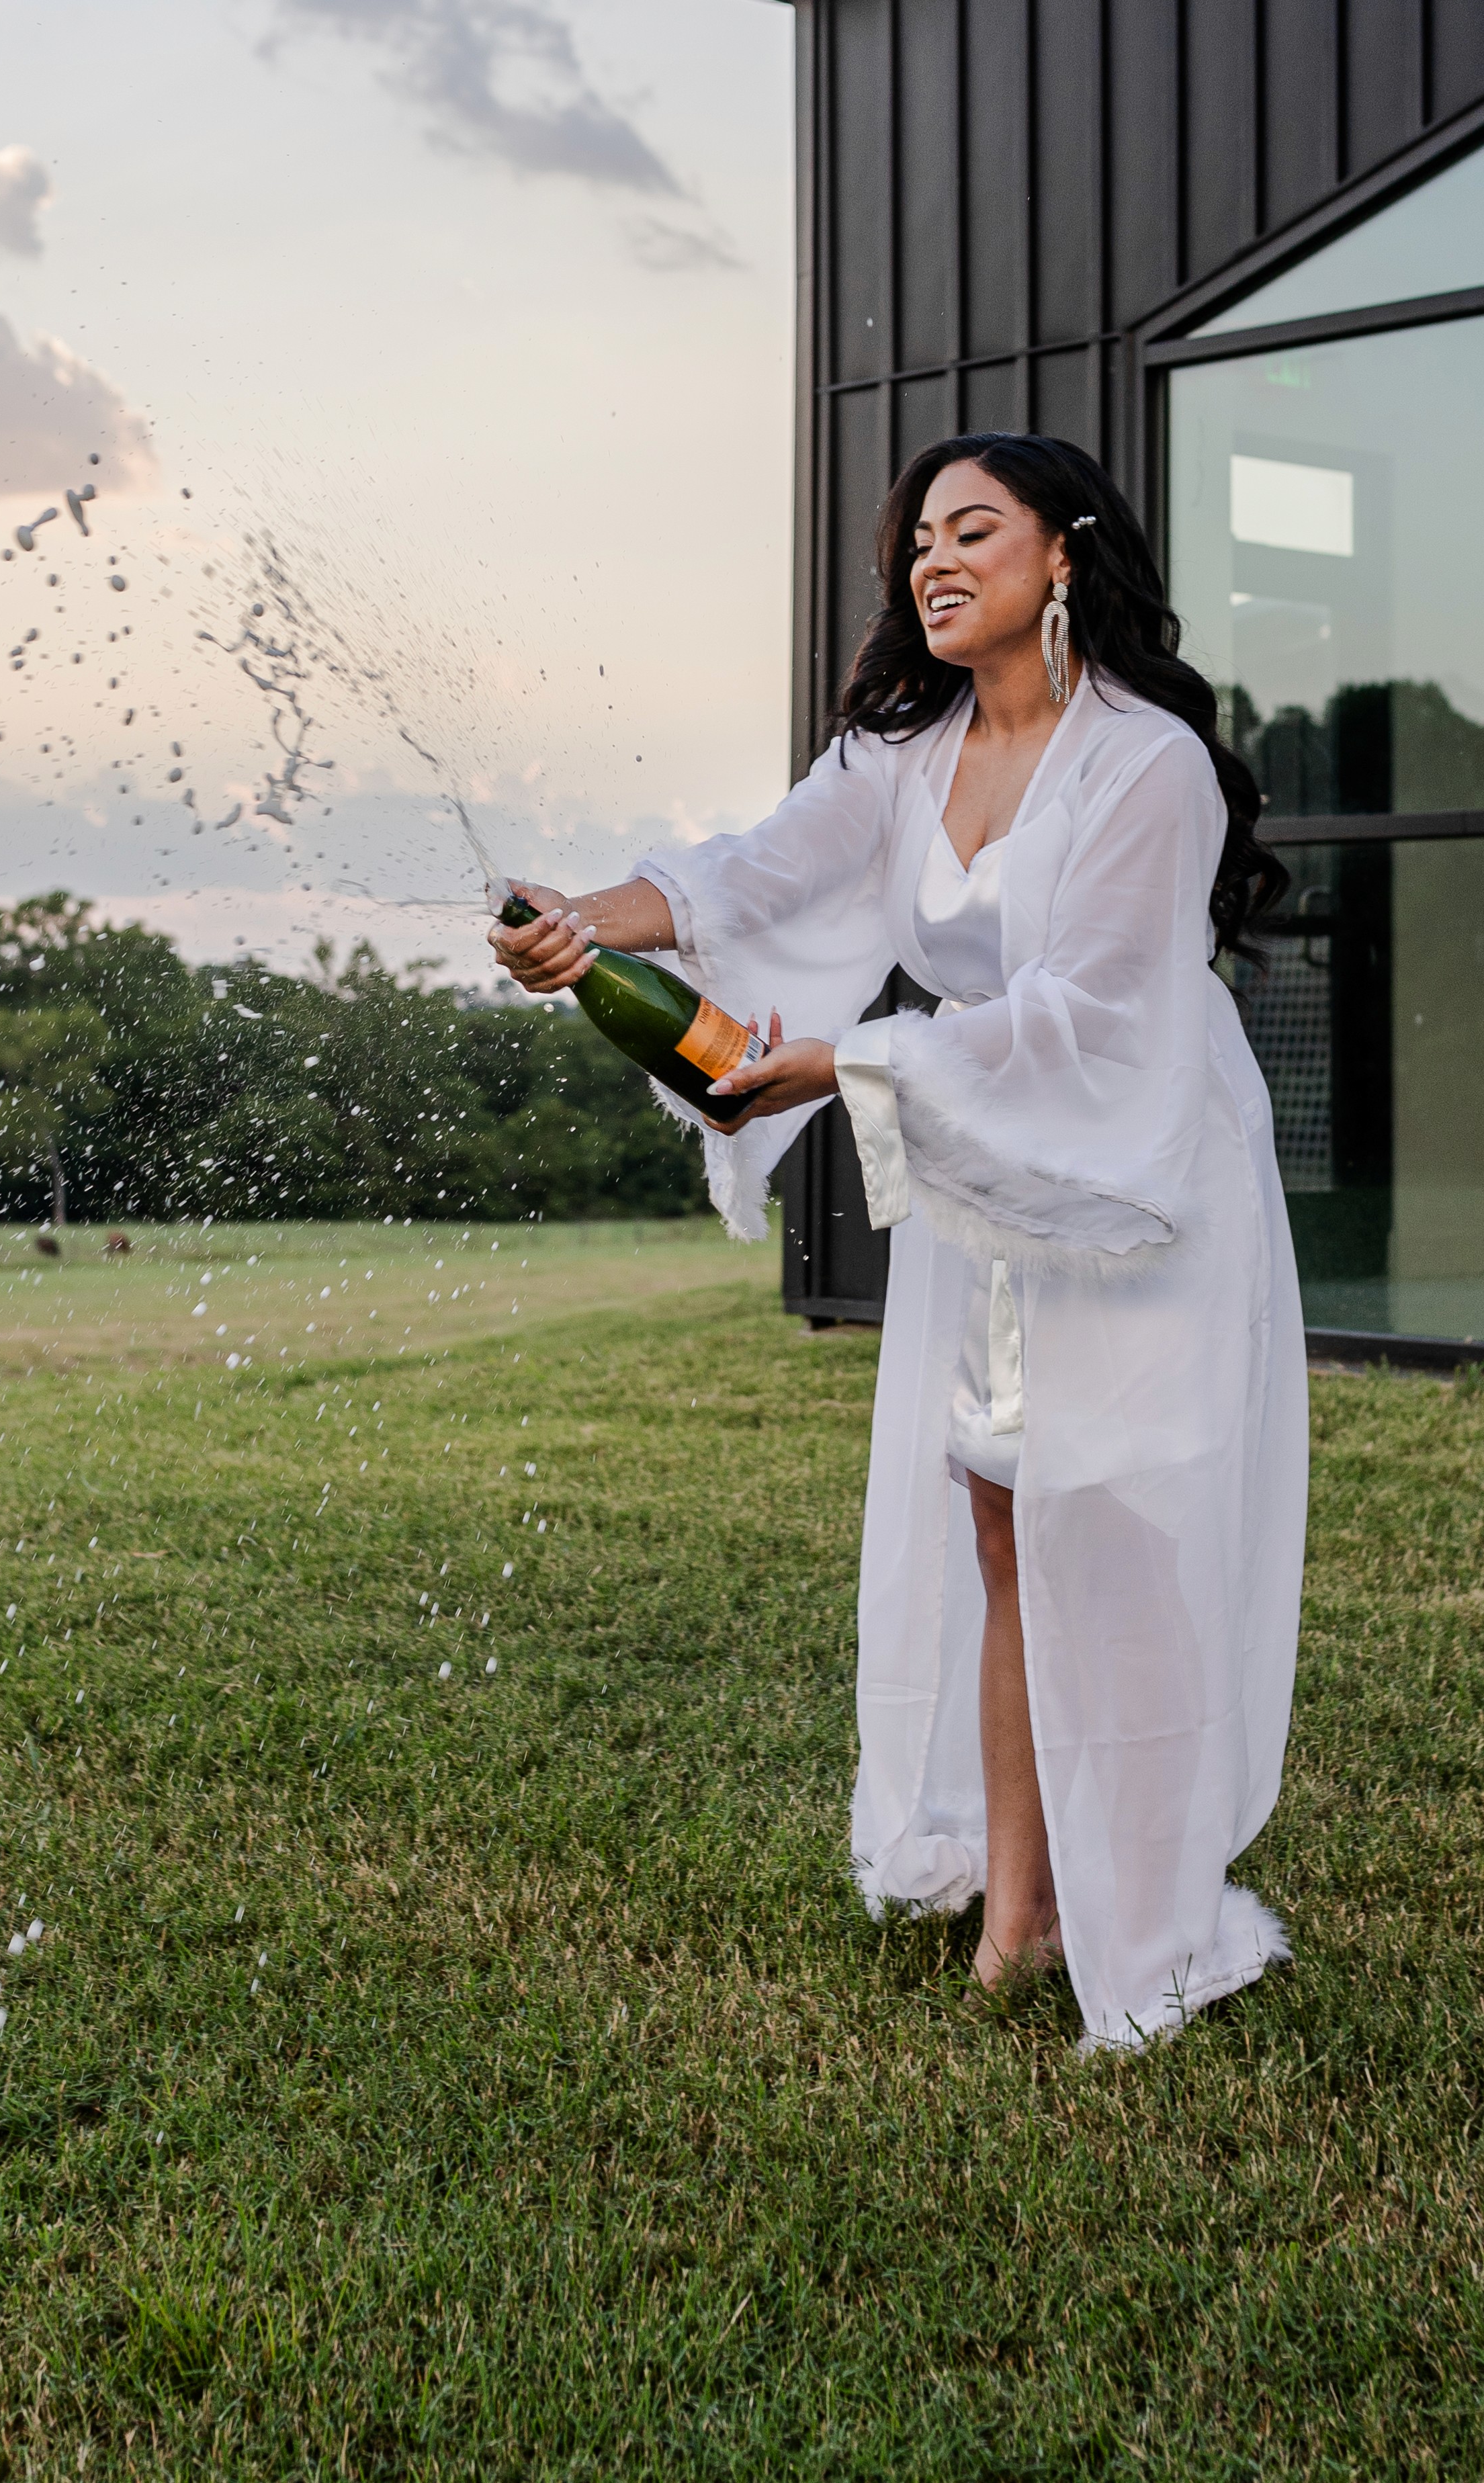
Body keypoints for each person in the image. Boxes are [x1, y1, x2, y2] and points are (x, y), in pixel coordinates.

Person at [491, 431, 1306, 2051]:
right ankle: (1021, 1914)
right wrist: (583, 924)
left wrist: (854, 1065)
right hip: (975, 1153)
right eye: (919, 540)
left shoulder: (1147, 765)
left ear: (1064, 553)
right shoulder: (905, 753)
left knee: (1116, 1529)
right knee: (1002, 1523)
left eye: (973, 531)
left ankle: (1143, 1907)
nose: (933, 561)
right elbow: (754, 875)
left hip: (1132, 1161)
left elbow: (1096, 1011)